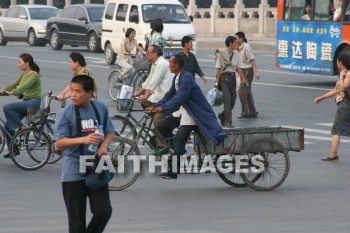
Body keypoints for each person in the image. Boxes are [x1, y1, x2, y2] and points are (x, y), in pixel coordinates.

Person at [148, 55, 226, 179]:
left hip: (194, 114)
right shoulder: (177, 78)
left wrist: (163, 108)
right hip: (184, 112)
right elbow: (169, 95)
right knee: (162, 125)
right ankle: (179, 151)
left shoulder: (186, 78)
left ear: (176, 65)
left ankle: (173, 169)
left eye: (171, 64)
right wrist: (155, 105)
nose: (169, 66)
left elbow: (179, 98)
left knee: (179, 140)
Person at [54, 75, 115, 233]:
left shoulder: (100, 108)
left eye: (78, 91)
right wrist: (84, 139)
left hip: (96, 165)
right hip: (73, 169)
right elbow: (59, 142)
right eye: (72, 91)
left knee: (104, 211)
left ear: (89, 93)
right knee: (77, 223)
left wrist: (104, 146)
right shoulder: (66, 113)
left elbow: (110, 131)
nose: (73, 95)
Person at [0, 53, 42, 158]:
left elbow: (23, 87)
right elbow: (13, 84)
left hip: (33, 103)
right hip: (26, 102)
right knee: (7, 127)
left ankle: (22, 128)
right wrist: (2, 91)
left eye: (20, 62)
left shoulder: (34, 75)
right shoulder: (23, 75)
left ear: (27, 63)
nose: (18, 64)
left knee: (7, 107)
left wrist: (12, 92)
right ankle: (14, 149)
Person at [133, 45, 171, 147]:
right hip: (157, 96)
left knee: (157, 121)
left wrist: (145, 95)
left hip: (164, 98)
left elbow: (154, 83)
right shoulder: (155, 64)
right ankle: (160, 128)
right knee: (144, 103)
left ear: (155, 54)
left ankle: (162, 145)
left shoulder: (162, 64)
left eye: (148, 53)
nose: (146, 54)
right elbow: (149, 79)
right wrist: (139, 92)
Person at [314, 53, 350, 161]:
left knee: (336, 130)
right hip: (345, 105)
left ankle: (333, 154)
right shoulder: (344, 74)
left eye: (337, 61)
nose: (336, 63)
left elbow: (344, 87)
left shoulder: (347, 74)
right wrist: (322, 97)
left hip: (345, 106)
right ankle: (333, 154)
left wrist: (342, 76)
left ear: (340, 63)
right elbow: (336, 90)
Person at [215, 36, 247, 127]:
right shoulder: (221, 54)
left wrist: (243, 78)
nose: (236, 45)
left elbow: (238, 68)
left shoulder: (236, 54)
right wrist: (216, 83)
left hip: (233, 78)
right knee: (227, 101)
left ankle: (222, 115)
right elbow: (218, 69)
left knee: (233, 100)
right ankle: (228, 121)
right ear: (230, 44)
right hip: (224, 78)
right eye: (235, 43)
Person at [235, 32, 260, 119]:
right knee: (247, 92)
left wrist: (256, 71)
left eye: (237, 38)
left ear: (241, 38)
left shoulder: (246, 47)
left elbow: (252, 59)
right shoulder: (238, 48)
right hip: (242, 71)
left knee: (242, 92)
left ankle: (245, 112)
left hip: (247, 72)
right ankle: (253, 112)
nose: (236, 40)